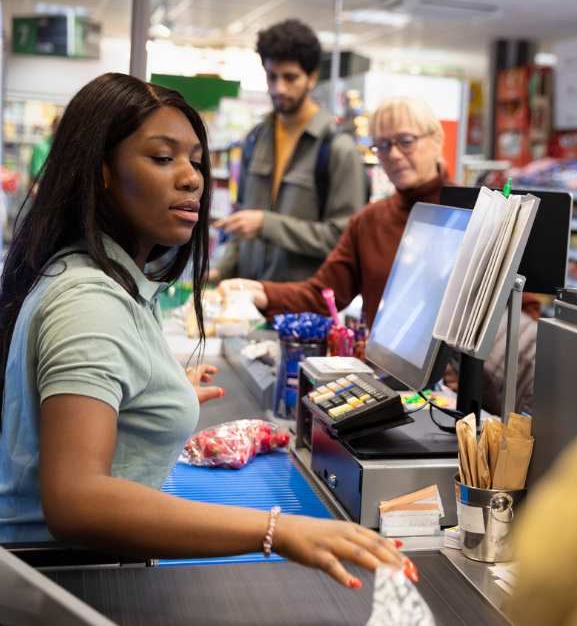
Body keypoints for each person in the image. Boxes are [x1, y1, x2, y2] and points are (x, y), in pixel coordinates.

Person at [0, 73, 408, 589]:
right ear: (101, 171)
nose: (192, 178)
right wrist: (275, 530)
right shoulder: (89, 302)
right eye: (162, 158)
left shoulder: (104, 277)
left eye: (195, 160)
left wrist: (150, 391)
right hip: (68, 581)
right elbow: (77, 500)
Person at [218, 97, 538, 414]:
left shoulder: (481, 214)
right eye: (382, 146)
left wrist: (470, 367)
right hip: (395, 392)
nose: (393, 155)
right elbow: (322, 294)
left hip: (472, 407)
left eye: (405, 141)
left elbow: (522, 316)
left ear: (437, 139)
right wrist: (259, 291)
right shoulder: (369, 222)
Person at [212, 19, 366, 283]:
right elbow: (243, 223)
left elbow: (343, 239)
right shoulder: (255, 139)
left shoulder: (338, 149)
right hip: (247, 303)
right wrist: (220, 271)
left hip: (302, 311)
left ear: (312, 77)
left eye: (290, 77)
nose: (279, 88)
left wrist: (266, 225)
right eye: (272, 76)